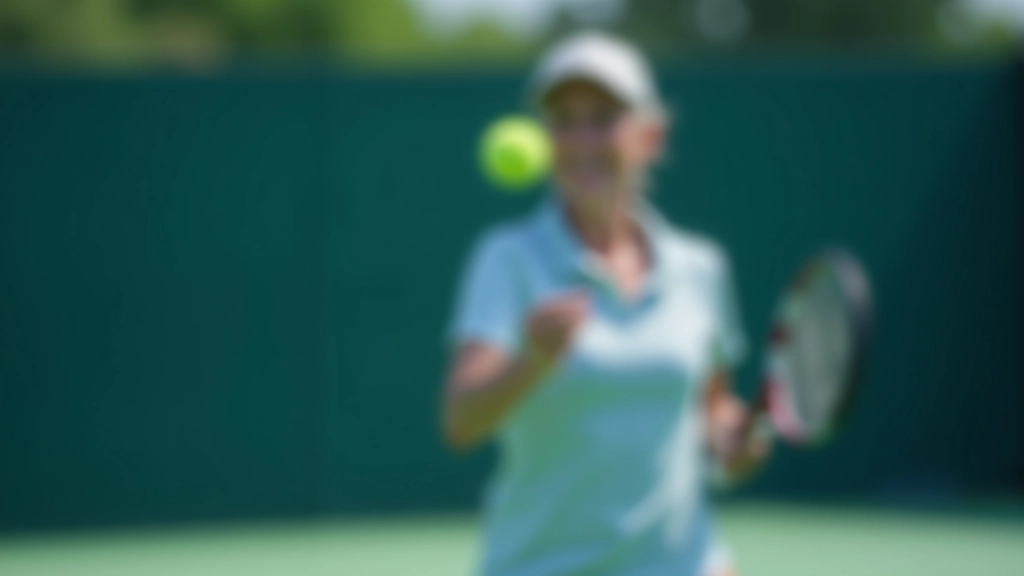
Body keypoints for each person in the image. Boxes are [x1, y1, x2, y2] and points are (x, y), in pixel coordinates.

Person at [442, 32, 769, 576]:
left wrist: (732, 440)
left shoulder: (701, 266)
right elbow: (460, 420)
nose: (582, 137)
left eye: (602, 116)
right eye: (564, 119)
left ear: (651, 136)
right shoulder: (505, 259)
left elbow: (710, 408)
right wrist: (532, 363)